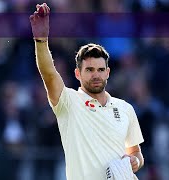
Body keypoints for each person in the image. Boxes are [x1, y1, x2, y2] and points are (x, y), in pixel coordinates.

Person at [29, 3, 145, 180]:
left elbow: (136, 153)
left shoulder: (125, 108)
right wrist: (41, 41)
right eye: (89, 70)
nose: (95, 75)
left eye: (100, 70)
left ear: (108, 72)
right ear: (78, 73)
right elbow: (49, 74)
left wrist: (135, 161)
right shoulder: (69, 102)